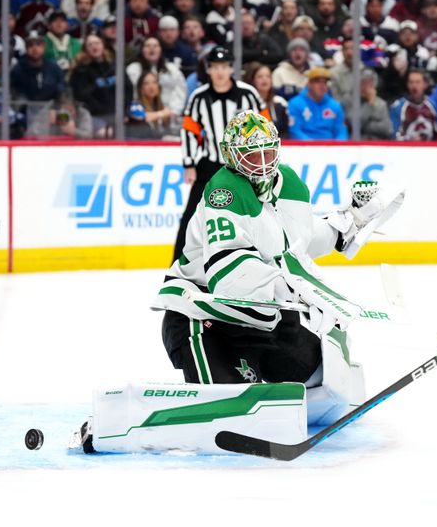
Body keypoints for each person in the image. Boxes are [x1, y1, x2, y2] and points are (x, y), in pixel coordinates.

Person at [152, 109, 395, 421]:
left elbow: (296, 243)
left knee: (318, 377)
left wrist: (347, 223)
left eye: (268, 153)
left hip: (260, 314)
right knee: (231, 409)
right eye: (252, 156)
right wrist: (293, 288)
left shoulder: (288, 183)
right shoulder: (223, 192)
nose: (263, 163)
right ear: (231, 156)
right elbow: (227, 272)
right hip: (203, 314)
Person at [172, 46, 268, 263]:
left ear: (231, 68)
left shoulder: (248, 94)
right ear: (209, 70)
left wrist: (259, 160)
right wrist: (189, 164)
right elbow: (189, 130)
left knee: (258, 213)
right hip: (209, 166)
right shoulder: (199, 97)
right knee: (192, 217)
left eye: (224, 67)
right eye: (215, 67)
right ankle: (178, 266)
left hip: (243, 167)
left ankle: (264, 259)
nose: (220, 72)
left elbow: (264, 125)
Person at [69, 33, 132, 138]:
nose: (94, 46)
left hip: (118, 114)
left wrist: (124, 110)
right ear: (85, 49)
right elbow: (81, 96)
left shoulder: (115, 66)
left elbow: (128, 89)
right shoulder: (81, 71)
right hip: (94, 116)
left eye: (97, 43)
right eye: (90, 45)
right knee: (104, 134)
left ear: (103, 45)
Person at [126, 36, 187, 115]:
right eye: (147, 46)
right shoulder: (133, 69)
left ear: (161, 49)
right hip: (142, 114)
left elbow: (181, 92)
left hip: (170, 114)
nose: (152, 49)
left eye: (155, 46)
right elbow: (132, 94)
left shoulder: (172, 69)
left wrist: (173, 111)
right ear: (142, 50)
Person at [287, 66, 348, 140]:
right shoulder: (295, 104)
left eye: (324, 82)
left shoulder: (335, 106)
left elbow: (341, 132)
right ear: (309, 84)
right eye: (317, 82)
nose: (322, 86)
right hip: (304, 148)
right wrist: (314, 147)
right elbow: (295, 131)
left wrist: (336, 147)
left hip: (330, 148)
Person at [340, 68, 392, 140]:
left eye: (369, 84)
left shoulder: (381, 104)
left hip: (376, 145)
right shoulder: (348, 100)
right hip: (356, 144)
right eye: (362, 83)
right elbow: (355, 124)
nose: (365, 88)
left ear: (374, 85)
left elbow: (387, 129)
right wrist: (370, 104)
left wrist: (364, 126)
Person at [390, 68, 437, 141]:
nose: (414, 86)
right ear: (407, 85)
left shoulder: (434, 105)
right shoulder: (398, 107)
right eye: (411, 82)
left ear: (425, 85)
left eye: (418, 82)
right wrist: (409, 139)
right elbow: (394, 137)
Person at [244, 61, 289, 138]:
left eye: (268, 76)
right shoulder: (245, 103)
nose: (264, 79)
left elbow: (285, 131)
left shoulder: (280, 102)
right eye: (260, 76)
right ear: (252, 80)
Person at [271, 37, 311, 101]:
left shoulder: (312, 74)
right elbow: (275, 98)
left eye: (301, 50)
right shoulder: (279, 72)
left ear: (307, 55)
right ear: (289, 54)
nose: (298, 53)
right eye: (294, 50)